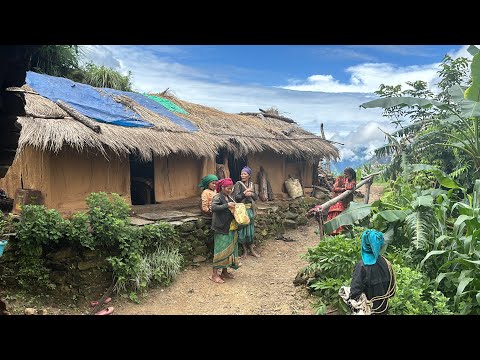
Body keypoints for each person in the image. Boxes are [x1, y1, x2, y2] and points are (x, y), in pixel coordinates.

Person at [346, 229, 396, 315]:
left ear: (364, 245)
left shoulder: (361, 267)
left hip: (367, 311)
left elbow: (354, 294)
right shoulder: (387, 264)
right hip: (383, 310)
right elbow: (392, 292)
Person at [210, 177, 240, 284]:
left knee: (229, 250)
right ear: (222, 187)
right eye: (228, 188)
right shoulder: (217, 197)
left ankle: (224, 271)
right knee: (220, 250)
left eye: (231, 188)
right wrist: (227, 205)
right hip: (221, 227)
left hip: (230, 227)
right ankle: (214, 275)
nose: (230, 190)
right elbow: (213, 208)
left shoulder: (229, 197)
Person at [233, 166, 259, 259]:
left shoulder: (252, 185)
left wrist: (251, 194)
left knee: (250, 230)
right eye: (242, 173)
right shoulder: (238, 184)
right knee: (242, 230)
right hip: (242, 210)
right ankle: (245, 251)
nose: (242, 175)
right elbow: (237, 197)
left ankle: (252, 250)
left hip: (250, 210)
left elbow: (256, 197)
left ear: (249, 175)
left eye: (245, 174)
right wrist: (245, 193)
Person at [326, 167, 357, 235]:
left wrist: (347, 181)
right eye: (344, 174)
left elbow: (349, 187)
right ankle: (333, 230)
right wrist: (342, 189)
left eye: (347, 174)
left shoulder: (352, 181)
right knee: (336, 210)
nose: (345, 175)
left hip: (347, 200)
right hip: (337, 198)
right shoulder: (340, 178)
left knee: (344, 213)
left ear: (351, 175)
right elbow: (334, 188)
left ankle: (342, 230)